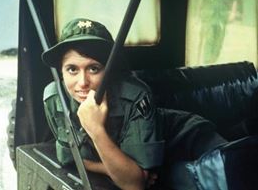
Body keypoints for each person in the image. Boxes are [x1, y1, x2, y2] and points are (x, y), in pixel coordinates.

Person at [41, 18, 227, 190]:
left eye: (94, 68)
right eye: (72, 69)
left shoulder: (135, 95)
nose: (82, 82)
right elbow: (69, 157)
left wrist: (96, 130)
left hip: (188, 141)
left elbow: (134, 184)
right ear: (61, 71)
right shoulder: (55, 99)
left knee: (224, 175)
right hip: (157, 160)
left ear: (109, 70)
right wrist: (110, 169)